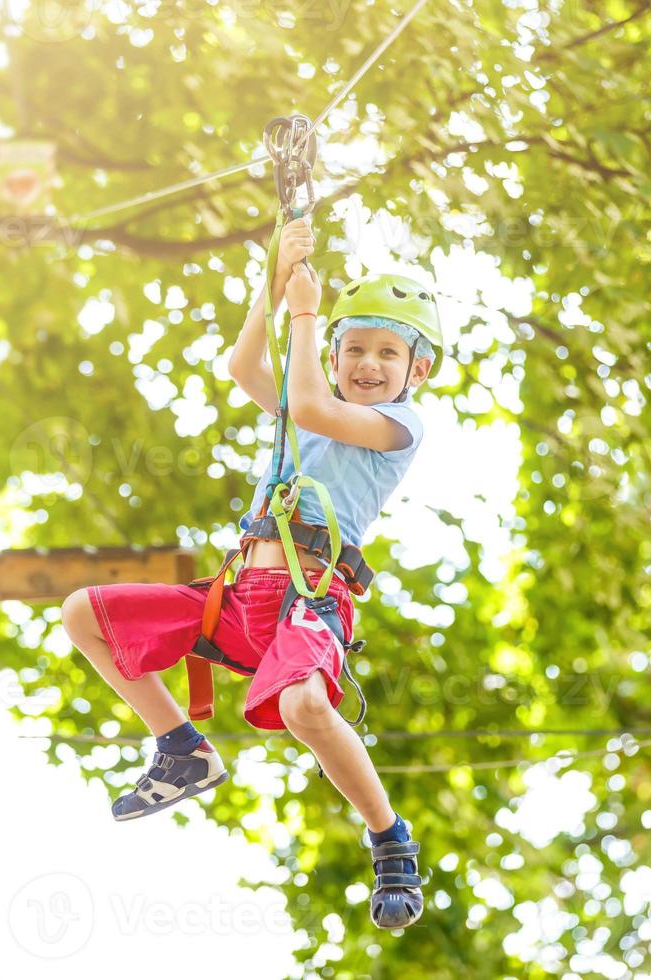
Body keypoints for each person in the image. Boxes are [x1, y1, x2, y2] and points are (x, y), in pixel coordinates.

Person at [60, 218, 439, 929]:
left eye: (387, 353)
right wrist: (271, 285)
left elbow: (309, 400)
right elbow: (243, 369)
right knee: (84, 612)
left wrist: (304, 313)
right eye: (353, 348)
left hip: (308, 601)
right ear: (330, 356)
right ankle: (180, 750)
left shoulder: (398, 427)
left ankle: (391, 841)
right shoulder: (309, 413)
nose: (368, 363)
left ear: (416, 371)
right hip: (239, 599)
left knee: (303, 709)